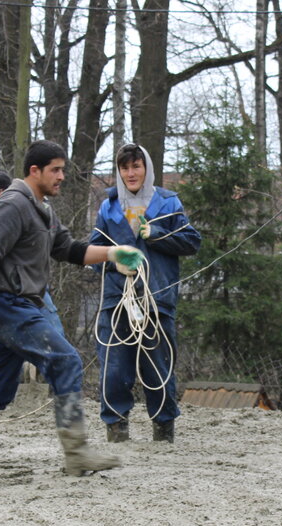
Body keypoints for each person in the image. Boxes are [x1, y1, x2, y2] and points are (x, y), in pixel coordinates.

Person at [0, 141, 142, 475]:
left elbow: (68, 249)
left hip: (15, 305)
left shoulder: (41, 208)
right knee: (65, 360)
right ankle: (77, 453)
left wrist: (112, 254)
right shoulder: (13, 205)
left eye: (63, 169)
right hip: (10, 305)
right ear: (34, 171)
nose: (62, 176)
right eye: (55, 169)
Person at [89, 143, 201, 443]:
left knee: (158, 366)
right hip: (116, 299)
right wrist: (114, 265)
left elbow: (192, 242)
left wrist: (158, 235)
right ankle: (116, 428)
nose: (131, 173)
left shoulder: (168, 202)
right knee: (113, 367)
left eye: (136, 166)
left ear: (146, 168)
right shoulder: (108, 207)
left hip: (157, 297)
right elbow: (92, 253)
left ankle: (163, 430)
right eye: (125, 168)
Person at [0, 170, 65, 335]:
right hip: (1, 298)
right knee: (3, 350)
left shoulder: (31, 215)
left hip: (36, 292)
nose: (1, 196)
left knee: (55, 340)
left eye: (4, 190)